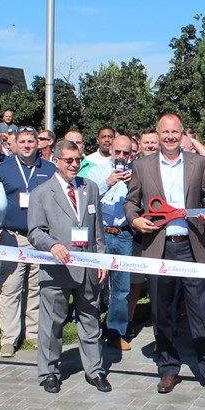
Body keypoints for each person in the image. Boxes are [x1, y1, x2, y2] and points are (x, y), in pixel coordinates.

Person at [124, 113, 205, 397]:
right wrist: (135, 221)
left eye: (175, 132)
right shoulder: (142, 166)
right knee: (162, 313)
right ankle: (168, 368)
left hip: (191, 247)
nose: (170, 137)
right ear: (157, 134)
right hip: (159, 248)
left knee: (201, 313)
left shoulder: (199, 163)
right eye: (165, 132)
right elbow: (131, 202)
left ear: (183, 135)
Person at [28, 139, 110, 394]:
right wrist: (51, 245)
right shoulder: (41, 192)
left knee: (90, 320)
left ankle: (95, 370)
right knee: (52, 324)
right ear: (57, 161)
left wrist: (101, 259)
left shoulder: (91, 188)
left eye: (77, 160)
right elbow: (35, 231)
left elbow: (97, 230)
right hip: (57, 268)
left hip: (88, 267)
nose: (74, 165)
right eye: (69, 161)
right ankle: (49, 372)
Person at [0, 126, 55, 357]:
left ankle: (32, 332)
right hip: (11, 236)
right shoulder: (2, 170)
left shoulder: (50, 169)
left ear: (39, 144)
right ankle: (9, 337)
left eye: (31, 141)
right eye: (22, 141)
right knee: (10, 286)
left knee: (36, 285)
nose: (26, 145)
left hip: (40, 236)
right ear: (14, 144)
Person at [85, 134, 136, 349]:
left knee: (121, 288)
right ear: (111, 150)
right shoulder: (96, 171)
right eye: (118, 152)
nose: (122, 157)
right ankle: (90, 332)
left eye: (126, 153)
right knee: (95, 285)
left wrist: (133, 183)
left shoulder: (137, 173)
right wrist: (108, 183)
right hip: (101, 233)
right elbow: (86, 198)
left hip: (124, 233)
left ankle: (116, 333)